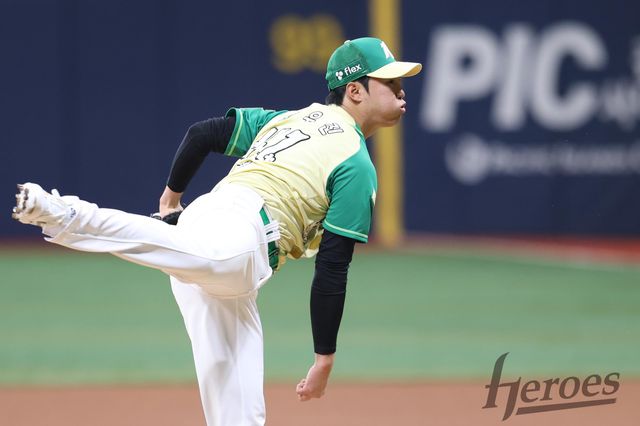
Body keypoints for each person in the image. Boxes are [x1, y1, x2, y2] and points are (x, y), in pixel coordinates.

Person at [12, 37, 421, 426]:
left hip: (215, 226)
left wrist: (171, 201)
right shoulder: (356, 163)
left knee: (239, 415)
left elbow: (201, 134)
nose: (401, 91)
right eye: (390, 82)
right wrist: (324, 358)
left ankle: (77, 218)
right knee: (186, 251)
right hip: (243, 238)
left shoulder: (287, 119)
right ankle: (69, 214)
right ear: (355, 91)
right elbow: (333, 266)